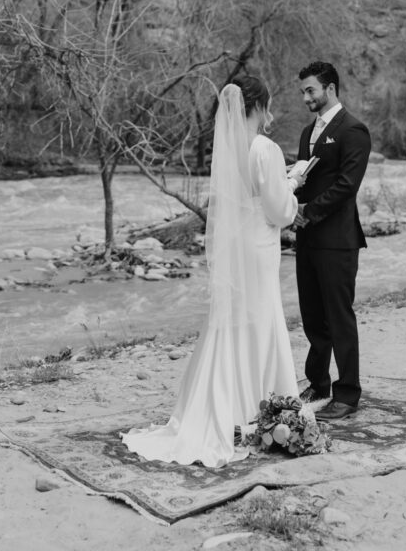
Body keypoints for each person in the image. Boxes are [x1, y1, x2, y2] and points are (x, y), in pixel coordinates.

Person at [121, 78, 300, 468]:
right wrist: (293, 184)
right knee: (263, 318)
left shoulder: (228, 149)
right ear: (255, 107)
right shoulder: (264, 148)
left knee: (234, 321)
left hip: (237, 245)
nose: (268, 114)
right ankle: (264, 403)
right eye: (266, 106)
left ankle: (232, 404)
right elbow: (280, 211)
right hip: (259, 246)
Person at [291, 60, 371, 421]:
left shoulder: (354, 130)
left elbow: (346, 186)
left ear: (331, 89)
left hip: (337, 239)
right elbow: (300, 177)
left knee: (339, 317)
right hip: (306, 237)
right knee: (312, 316)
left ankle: (348, 393)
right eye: (303, 91)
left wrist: (308, 211)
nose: (306, 97)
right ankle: (319, 383)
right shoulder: (308, 131)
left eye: (311, 90)